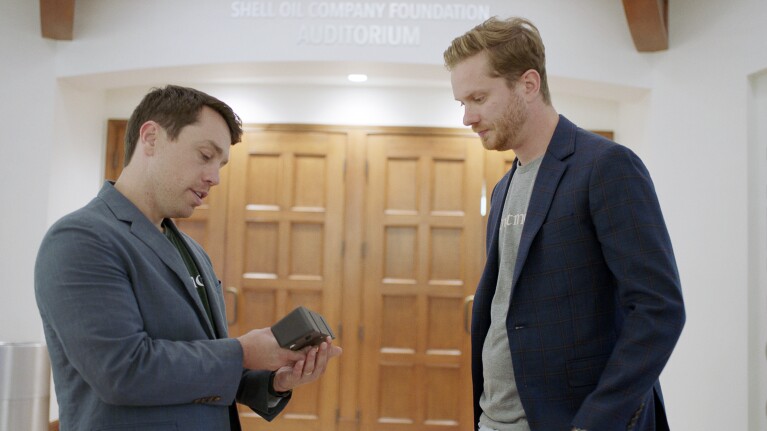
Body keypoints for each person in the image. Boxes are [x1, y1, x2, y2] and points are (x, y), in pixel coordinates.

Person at [34, 85, 342, 431]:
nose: (215, 177)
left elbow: (203, 369)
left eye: (220, 164)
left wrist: (273, 381)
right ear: (151, 138)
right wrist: (242, 351)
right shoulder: (81, 238)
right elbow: (121, 371)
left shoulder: (192, 251)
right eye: (205, 155)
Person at [444, 17, 685, 431]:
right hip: (494, 421)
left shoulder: (606, 167)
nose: (467, 117)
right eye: (461, 102)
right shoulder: (503, 189)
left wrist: (595, 422)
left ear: (529, 84)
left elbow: (658, 308)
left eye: (478, 98)